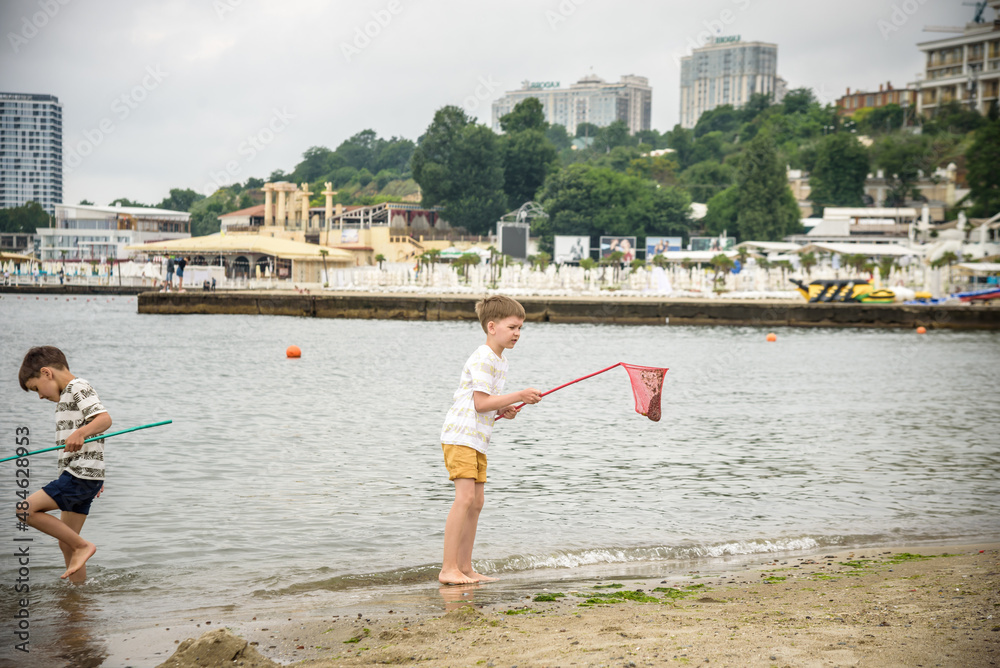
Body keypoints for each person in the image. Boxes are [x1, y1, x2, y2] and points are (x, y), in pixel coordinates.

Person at [438, 295, 541, 585]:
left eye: (521, 328)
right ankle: (448, 569)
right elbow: (480, 403)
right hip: (460, 435)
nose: (517, 333)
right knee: (465, 498)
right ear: (492, 327)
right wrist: (519, 395)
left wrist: (504, 408)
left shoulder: (501, 361)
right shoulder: (483, 357)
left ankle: (465, 567)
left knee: (477, 501)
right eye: (512, 327)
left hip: (477, 438)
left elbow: (487, 402)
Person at [17, 346, 112, 582]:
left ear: (46, 372)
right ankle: (78, 600)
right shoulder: (65, 398)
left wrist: (80, 433)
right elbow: (93, 440)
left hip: (78, 475)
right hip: (83, 475)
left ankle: (84, 547)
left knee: (25, 510)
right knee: (66, 543)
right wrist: (95, 477)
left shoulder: (78, 387)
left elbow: (104, 419)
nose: (40, 396)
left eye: (36, 388)